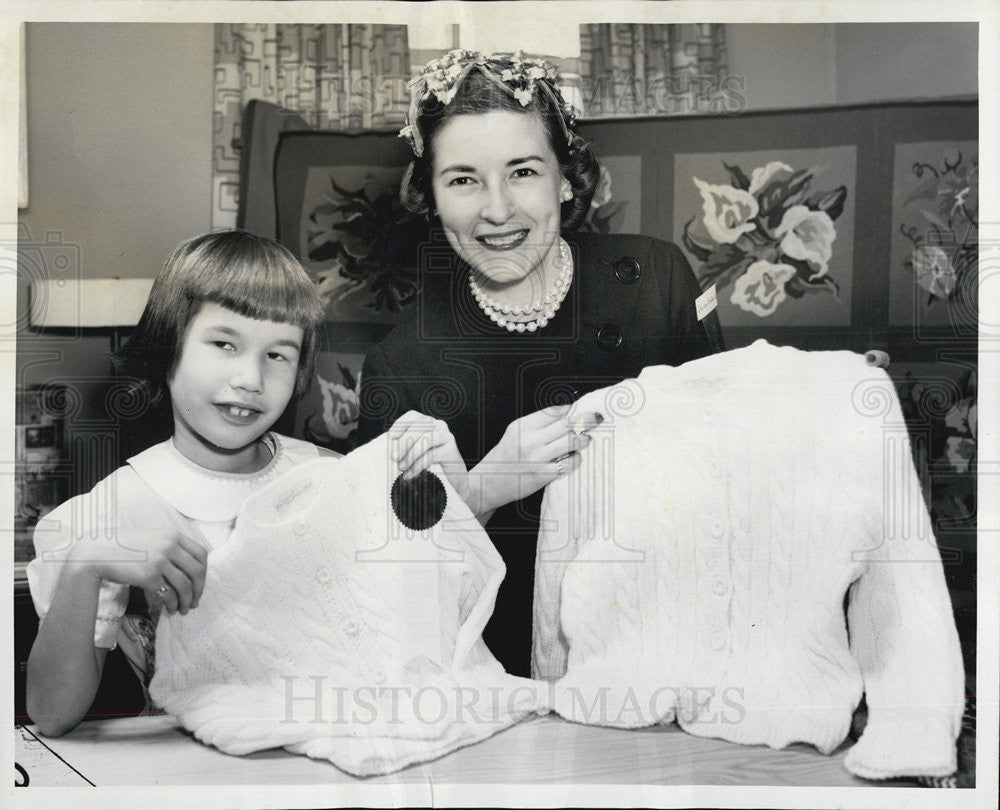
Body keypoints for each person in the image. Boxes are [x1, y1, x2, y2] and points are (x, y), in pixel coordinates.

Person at [357, 50, 725, 677]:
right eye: (464, 179)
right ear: (433, 199)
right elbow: (384, 580)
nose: (497, 210)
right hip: (497, 675)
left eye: (522, 171)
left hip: (668, 636)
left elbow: (728, 462)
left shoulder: (657, 278)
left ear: (566, 179)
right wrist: (486, 487)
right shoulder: (402, 364)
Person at [26, 230, 460, 737]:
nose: (251, 379)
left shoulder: (326, 476)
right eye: (224, 344)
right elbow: (51, 714)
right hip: (194, 770)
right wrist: (85, 565)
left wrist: (451, 492)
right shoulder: (115, 508)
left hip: (331, 749)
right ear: (167, 350)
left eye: (278, 355)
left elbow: (415, 627)